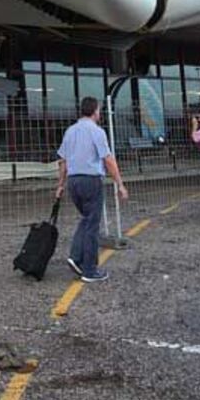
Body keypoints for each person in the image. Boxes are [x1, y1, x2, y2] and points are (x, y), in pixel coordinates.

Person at [55, 97, 129, 283]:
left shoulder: (70, 131)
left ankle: (76, 257)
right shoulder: (97, 132)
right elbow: (108, 159)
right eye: (99, 110)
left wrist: (61, 185)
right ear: (95, 111)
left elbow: (62, 161)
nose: (100, 113)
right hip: (91, 181)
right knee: (92, 225)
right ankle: (89, 270)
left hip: (73, 181)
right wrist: (119, 183)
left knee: (87, 219)